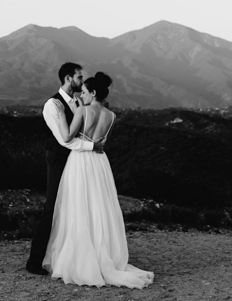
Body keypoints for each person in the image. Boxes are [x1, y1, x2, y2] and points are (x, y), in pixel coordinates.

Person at [42, 72, 154, 288]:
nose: (81, 95)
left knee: (78, 207)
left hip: (81, 161)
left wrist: (62, 118)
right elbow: (100, 139)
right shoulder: (112, 116)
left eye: (84, 92)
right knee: (99, 207)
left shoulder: (83, 110)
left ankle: (79, 258)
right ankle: (103, 254)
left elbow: (67, 137)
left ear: (93, 93)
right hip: (100, 163)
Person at [25, 62, 104, 275]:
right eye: (79, 77)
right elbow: (64, 140)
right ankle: (34, 261)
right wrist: (92, 146)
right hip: (59, 160)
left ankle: (70, 258)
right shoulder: (53, 105)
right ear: (68, 79)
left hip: (77, 162)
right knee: (52, 208)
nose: (82, 81)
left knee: (76, 208)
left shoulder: (79, 101)